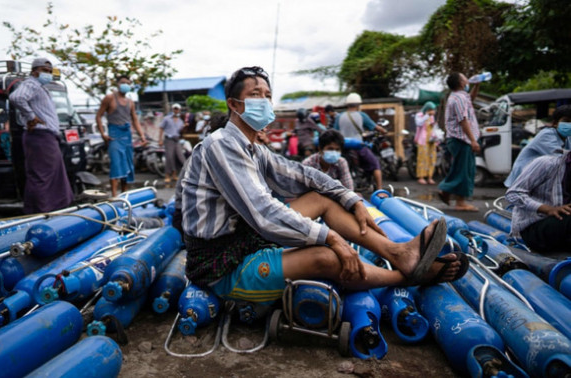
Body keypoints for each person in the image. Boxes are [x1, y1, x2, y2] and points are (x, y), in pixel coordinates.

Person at [180, 66, 467, 307]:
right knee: (327, 257)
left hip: (245, 240)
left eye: (267, 96)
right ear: (234, 104)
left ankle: (399, 254)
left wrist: (351, 198)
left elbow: (300, 174)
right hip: (222, 265)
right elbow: (264, 213)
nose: (264, 102)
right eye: (255, 95)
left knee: (323, 199)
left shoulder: (254, 148)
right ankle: (413, 276)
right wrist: (331, 238)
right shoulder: (221, 145)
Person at [9, 58, 73, 214]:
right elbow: (16, 97)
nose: (48, 74)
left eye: (50, 71)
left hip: (46, 136)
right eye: (45, 71)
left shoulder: (41, 87)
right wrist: (31, 116)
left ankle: (46, 209)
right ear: (34, 71)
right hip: (40, 135)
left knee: (50, 174)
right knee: (43, 176)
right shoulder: (31, 84)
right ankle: (42, 211)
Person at [505, 150, 571, 253]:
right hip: (533, 229)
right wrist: (547, 209)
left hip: (559, 228)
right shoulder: (547, 164)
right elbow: (513, 194)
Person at [96, 75, 147, 197]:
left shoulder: (130, 102)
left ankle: (124, 196)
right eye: (123, 82)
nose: (126, 85)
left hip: (127, 136)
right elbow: (99, 116)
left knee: (127, 166)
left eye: (128, 83)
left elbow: (135, 119)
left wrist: (142, 135)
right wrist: (103, 133)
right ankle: (114, 196)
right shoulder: (109, 98)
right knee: (116, 165)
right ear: (118, 84)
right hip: (114, 136)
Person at [437, 72, 481, 212]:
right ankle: (460, 201)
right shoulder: (458, 99)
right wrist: (473, 140)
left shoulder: (460, 97)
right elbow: (463, 120)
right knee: (464, 171)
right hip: (461, 139)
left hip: (460, 139)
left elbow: (470, 100)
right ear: (461, 83)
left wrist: (476, 86)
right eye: (465, 78)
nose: (467, 80)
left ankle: (446, 192)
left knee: (460, 168)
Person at [504, 105, 571, 187]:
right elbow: (562, 159)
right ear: (555, 123)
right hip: (525, 177)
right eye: (566, 121)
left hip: (539, 177)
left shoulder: (567, 138)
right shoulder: (547, 135)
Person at [334, 93, 387, 190]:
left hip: (342, 148)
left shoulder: (339, 116)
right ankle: (380, 190)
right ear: (358, 105)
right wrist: (384, 131)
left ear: (347, 104)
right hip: (358, 147)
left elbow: (334, 131)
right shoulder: (362, 115)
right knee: (375, 164)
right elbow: (376, 128)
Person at [159, 103, 185, 184]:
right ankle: (167, 175)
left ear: (180, 110)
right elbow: (161, 128)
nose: (176, 110)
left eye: (178, 109)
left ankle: (175, 174)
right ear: (172, 109)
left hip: (176, 140)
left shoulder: (181, 121)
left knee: (179, 156)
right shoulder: (167, 119)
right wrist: (160, 139)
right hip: (169, 139)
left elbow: (180, 132)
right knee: (169, 157)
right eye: (175, 109)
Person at [414, 101, 439, 185]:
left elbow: (432, 127)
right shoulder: (419, 115)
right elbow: (419, 123)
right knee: (422, 158)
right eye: (431, 109)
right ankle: (421, 177)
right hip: (422, 140)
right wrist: (427, 115)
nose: (432, 111)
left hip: (431, 140)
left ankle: (430, 177)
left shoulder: (432, 117)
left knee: (432, 158)